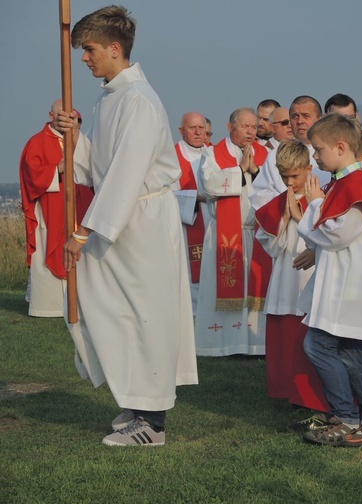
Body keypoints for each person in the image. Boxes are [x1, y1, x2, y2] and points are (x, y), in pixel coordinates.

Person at [61, 5, 198, 446]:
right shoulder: (110, 96)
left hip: (141, 221)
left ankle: (153, 423)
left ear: (115, 49)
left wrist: (86, 229)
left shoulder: (138, 99)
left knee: (146, 314)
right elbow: (99, 163)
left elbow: (127, 170)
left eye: (90, 49)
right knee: (115, 310)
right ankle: (136, 401)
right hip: (123, 219)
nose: (85, 58)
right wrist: (74, 137)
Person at [297, 114, 362, 447]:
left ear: (340, 147)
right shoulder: (346, 182)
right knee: (356, 356)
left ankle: (346, 418)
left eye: (318, 150)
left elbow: (338, 235)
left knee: (318, 345)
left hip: (352, 285)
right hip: (353, 280)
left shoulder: (355, 185)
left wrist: (314, 205)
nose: (315, 157)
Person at [255, 139, 329, 413]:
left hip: (313, 271)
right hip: (286, 272)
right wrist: (282, 218)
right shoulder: (279, 200)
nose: (289, 183)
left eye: (295, 176)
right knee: (286, 331)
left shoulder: (322, 196)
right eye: (284, 177)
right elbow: (268, 241)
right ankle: (286, 389)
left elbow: (330, 233)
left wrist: (299, 216)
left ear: (310, 169)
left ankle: (311, 391)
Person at [195, 107, 269, 356]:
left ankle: (255, 344)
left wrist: (255, 171)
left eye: (254, 127)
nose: (250, 132)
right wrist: (240, 170)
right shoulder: (213, 154)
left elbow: (274, 188)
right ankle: (223, 344)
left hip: (256, 232)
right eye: (245, 126)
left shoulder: (265, 154)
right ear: (230, 127)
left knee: (254, 287)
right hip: (225, 235)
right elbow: (208, 184)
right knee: (223, 285)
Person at [19, 100, 92, 317]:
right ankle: (47, 306)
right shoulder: (37, 142)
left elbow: (93, 169)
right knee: (48, 249)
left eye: (70, 117)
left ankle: (81, 304)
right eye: (61, 115)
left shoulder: (80, 140)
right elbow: (30, 174)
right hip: (49, 212)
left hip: (79, 209)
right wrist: (57, 169)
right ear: (51, 115)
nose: (65, 121)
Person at [250, 95, 331, 210]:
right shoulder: (276, 154)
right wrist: (292, 200)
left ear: (320, 119)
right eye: (294, 116)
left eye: (305, 116)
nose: (299, 121)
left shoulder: (332, 153)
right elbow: (258, 195)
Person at [174, 112, 209, 313]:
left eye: (201, 128)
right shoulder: (171, 157)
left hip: (215, 225)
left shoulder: (214, 154)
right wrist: (198, 196)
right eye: (192, 128)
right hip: (187, 227)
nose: (197, 132)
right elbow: (166, 195)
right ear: (181, 131)